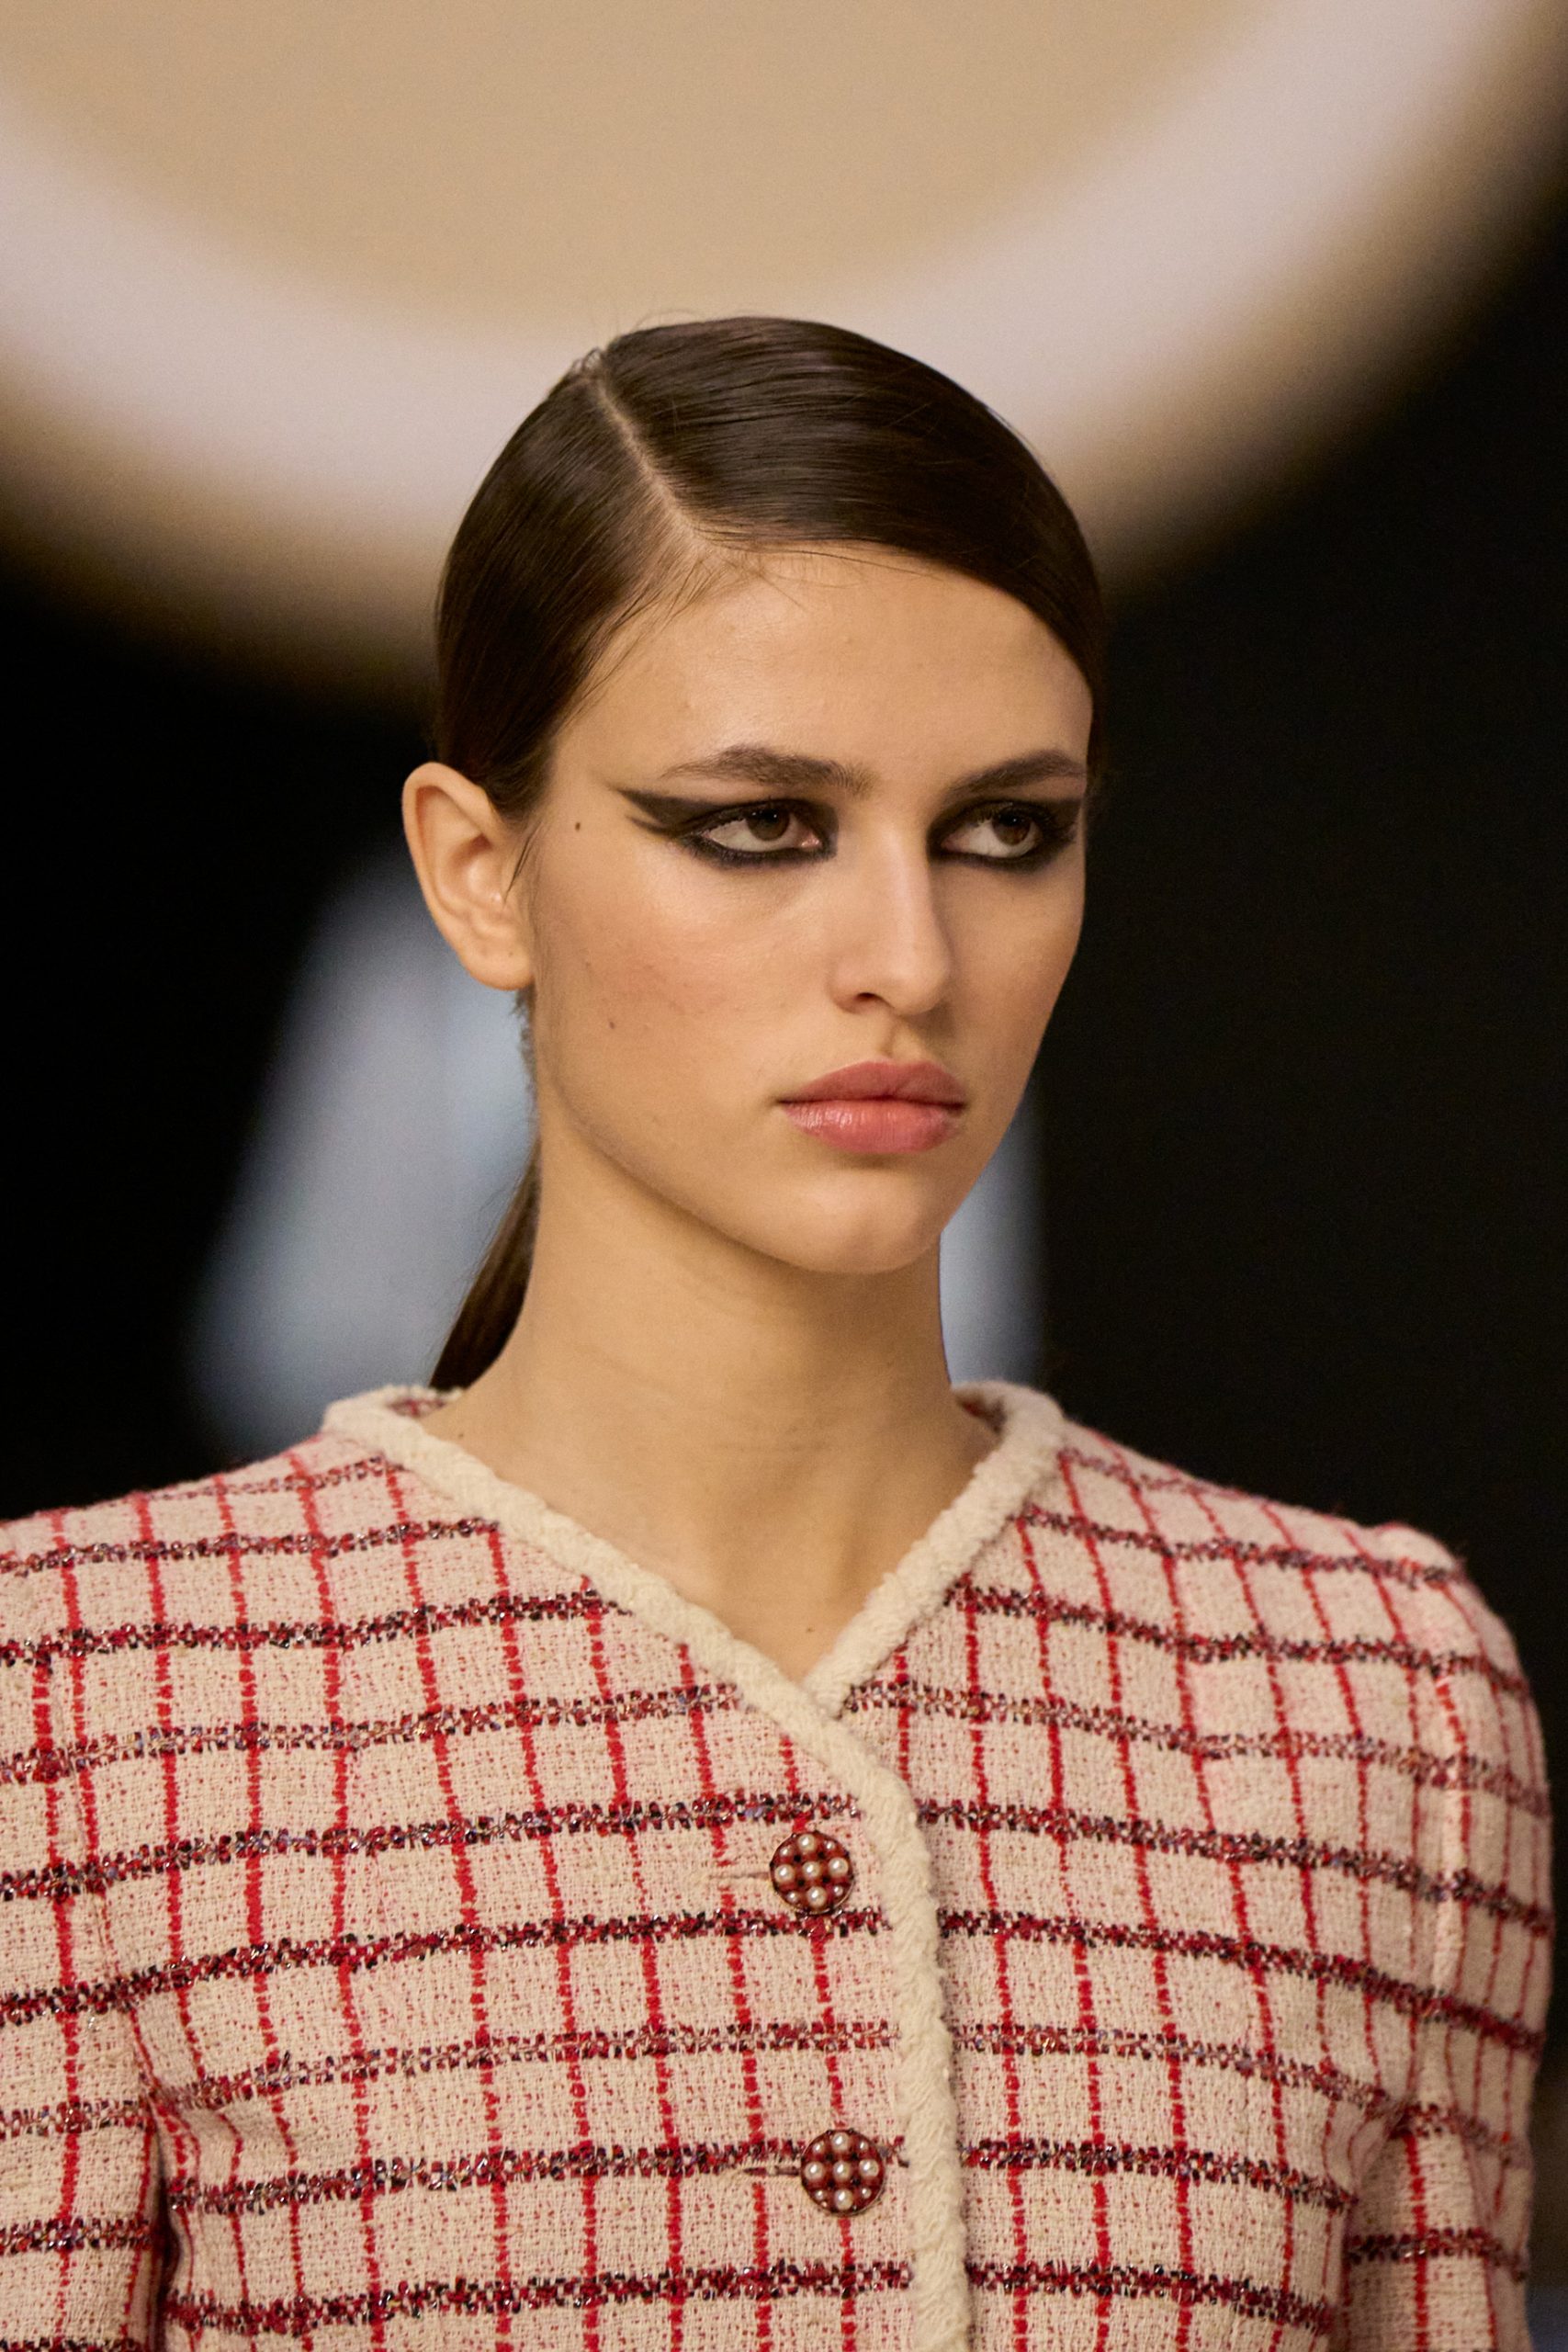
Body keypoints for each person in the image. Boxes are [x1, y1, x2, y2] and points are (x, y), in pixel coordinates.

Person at [0, 317, 1547, 2351]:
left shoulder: (1373, 1709)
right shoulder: (89, 1704)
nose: (908, 957)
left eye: (1007, 829)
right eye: (759, 825)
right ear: (479, 871)